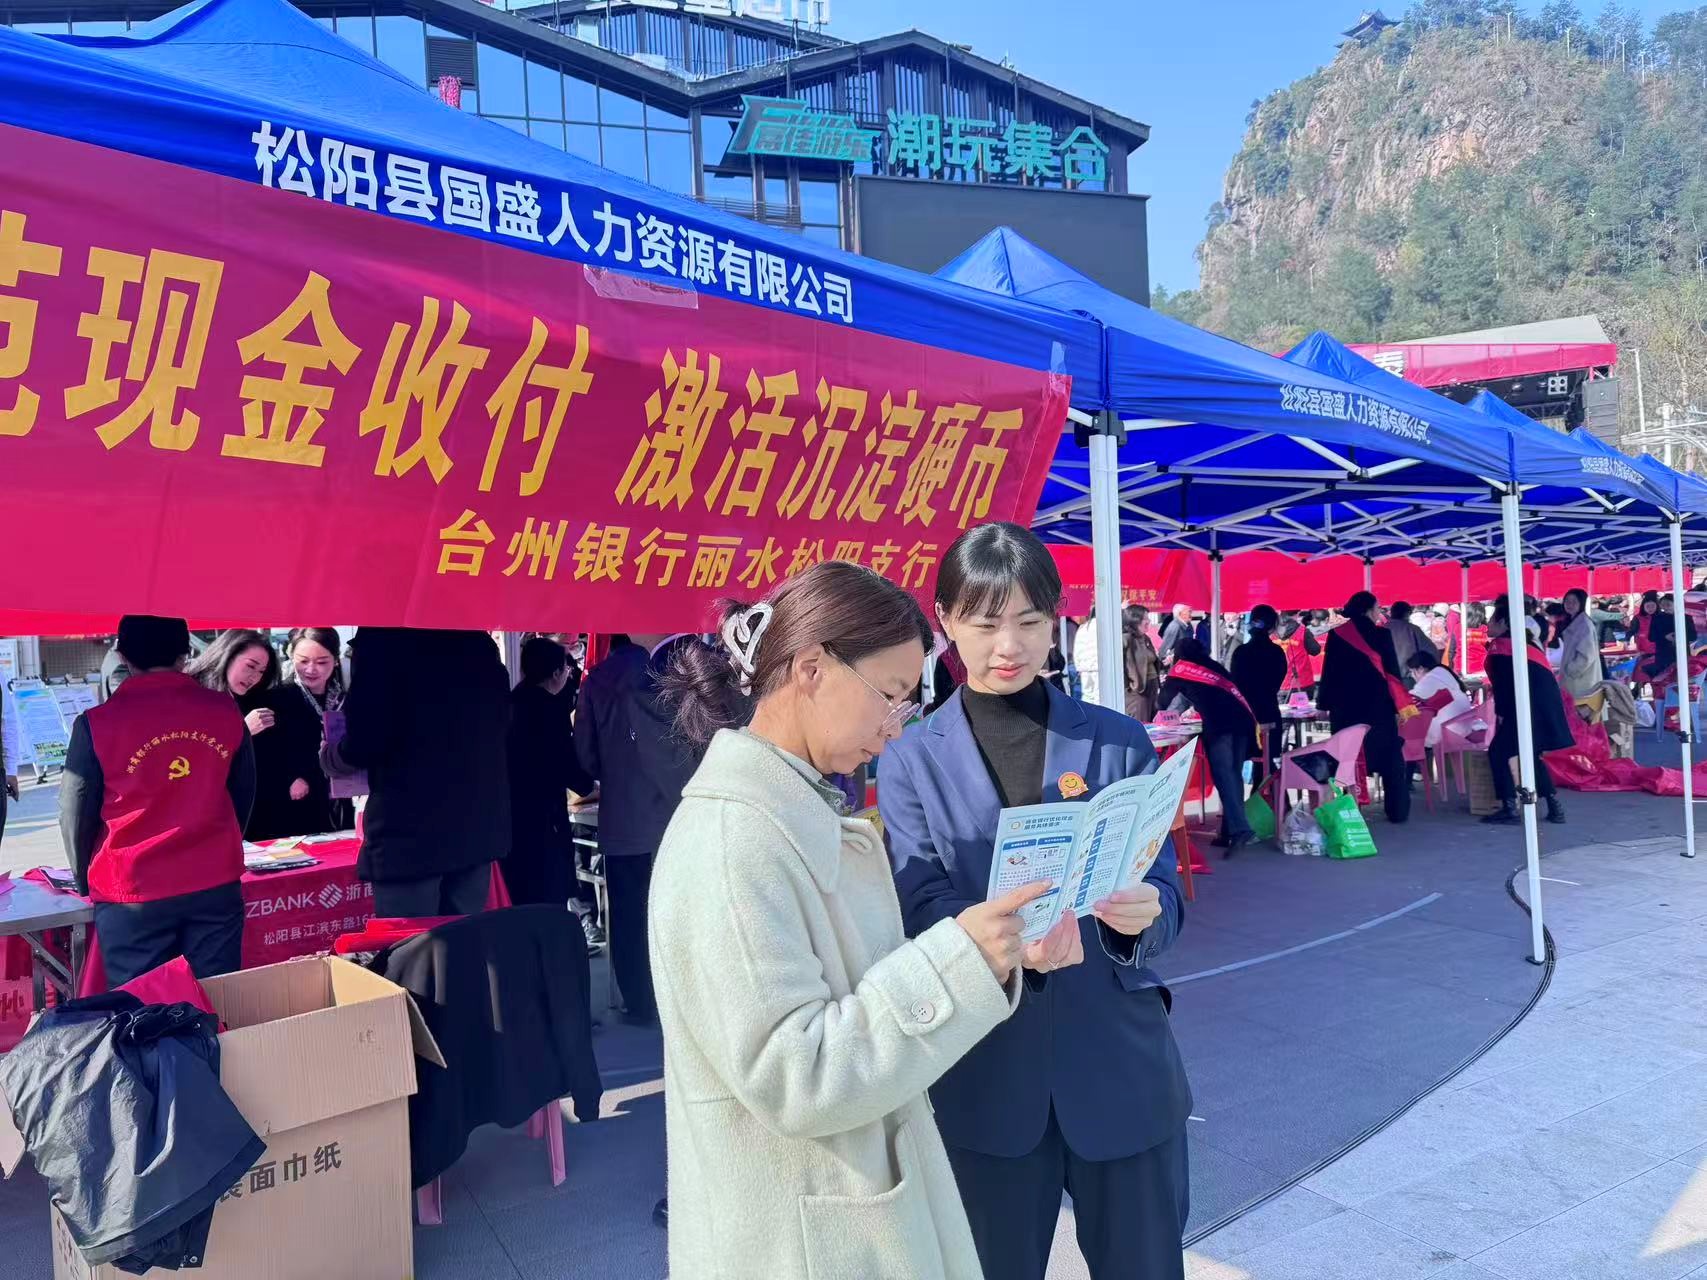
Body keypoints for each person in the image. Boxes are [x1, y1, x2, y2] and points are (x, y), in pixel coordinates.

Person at [649, 559, 1045, 1279]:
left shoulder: (784, 812)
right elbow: (794, 1073)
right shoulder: (733, 841)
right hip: (803, 1239)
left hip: (836, 1213)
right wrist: (958, 963)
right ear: (811, 669)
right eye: (889, 696)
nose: (894, 729)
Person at [880, 522, 1191, 1280]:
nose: (1008, 646)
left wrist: (1140, 918)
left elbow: (1164, 889)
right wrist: (1000, 946)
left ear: (1056, 618)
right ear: (945, 621)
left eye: (1028, 621)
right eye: (985, 624)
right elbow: (918, 905)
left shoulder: (1118, 742)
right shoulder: (910, 759)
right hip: (985, 1078)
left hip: (1117, 1067)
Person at [59, 616, 255, 985]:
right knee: (216, 997)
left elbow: (75, 812)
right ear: (185, 654)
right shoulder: (224, 711)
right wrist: (224, 845)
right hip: (214, 880)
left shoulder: (98, 722)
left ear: (122, 655)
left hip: (132, 888)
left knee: (143, 1005)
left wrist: (82, 877)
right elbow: (243, 793)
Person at [326, 628, 510, 917]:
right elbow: (501, 723)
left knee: (411, 941)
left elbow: (366, 742)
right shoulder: (478, 643)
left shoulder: (382, 642)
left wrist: (332, 756)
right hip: (476, 823)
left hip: (409, 833)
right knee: (465, 937)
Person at [574, 630, 703, 1025]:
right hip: (674, 817)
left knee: (628, 918)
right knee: (673, 913)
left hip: (623, 821)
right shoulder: (673, 670)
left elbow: (586, 758)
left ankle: (640, 1003)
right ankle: (679, 1000)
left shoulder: (596, 681)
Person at [505, 636, 593, 910]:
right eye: (566, 669)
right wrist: (590, 786)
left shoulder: (512, 701)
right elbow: (565, 763)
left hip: (512, 817)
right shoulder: (549, 709)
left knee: (521, 900)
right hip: (544, 817)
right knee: (548, 898)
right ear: (556, 673)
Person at [243, 627, 349, 841]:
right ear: (291, 656)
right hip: (293, 803)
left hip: (340, 798)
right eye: (303, 661)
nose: (311, 669)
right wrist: (287, 778)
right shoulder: (274, 699)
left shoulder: (346, 700)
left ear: (336, 660)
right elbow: (260, 752)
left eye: (322, 662)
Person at [1317, 591, 1412, 824]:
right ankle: (1397, 811)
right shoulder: (1382, 635)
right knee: (1389, 758)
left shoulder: (1337, 634)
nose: (1379, 612)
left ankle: (1348, 810)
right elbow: (1392, 673)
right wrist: (1398, 706)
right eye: (1378, 608)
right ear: (1369, 610)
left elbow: (1329, 673)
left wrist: (1323, 704)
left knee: (1346, 759)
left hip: (1345, 708)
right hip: (1379, 707)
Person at [1163, 636, 1259, 855]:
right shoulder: (1214, 666)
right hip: (1243, 723)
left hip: (1220, 727)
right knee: (1233, 776)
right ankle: (1230, 830)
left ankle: (1240, 829)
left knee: (1225, 777)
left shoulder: (1181, 670)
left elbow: (1163, 701)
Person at [1482, 599, 1571, 826]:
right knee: (1531, 754)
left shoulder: (1502, 648)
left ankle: (1509, 807)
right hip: (1544, 709)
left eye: (1491, 620)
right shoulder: (1527, 643)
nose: (1487, 624)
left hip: (1524, 709)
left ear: (1504, 622)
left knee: (1498, 752)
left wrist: (1503, 713)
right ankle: (1555, 807)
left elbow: (1504, 687)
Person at [186, 629, 280, 739]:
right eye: (250, 666)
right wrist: (242, 730)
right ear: (227, 657)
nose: (254, 677)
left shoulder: (246, 699)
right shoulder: (188, 693)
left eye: (261, 671)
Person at [1231, 604, 1288, 780]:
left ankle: (1256, 792)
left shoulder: (1240, 652)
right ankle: (1268, 793)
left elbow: (1235, 683)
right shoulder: (1277, 652)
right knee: (1269, 762)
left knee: (1243, 761)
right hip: (1269, 711)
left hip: (1245, 715)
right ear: (1272, 626)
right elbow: (1278, 680)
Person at [1405, 652, 1471, 749]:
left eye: (1412, 672)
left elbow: (1408, 700)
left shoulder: (1430, 679)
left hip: (1451, 731)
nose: (1412, 676)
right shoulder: (1442, 674)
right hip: (1463, 727)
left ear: (1420, 669)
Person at [1556, 589, 1604, 700]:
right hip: (1575, 678)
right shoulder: (1573, 621)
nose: (1570, 605)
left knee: (1578, 706)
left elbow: (1586, 655)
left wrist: (1571, 670)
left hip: (1581, 679)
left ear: (1581, 603)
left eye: (1574, 602)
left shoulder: (1584, 624)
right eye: (1567, 601)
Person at [1647, 595, 1698, 687]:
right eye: (1662, 605)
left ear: (1676, 604)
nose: (1665, 608)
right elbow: (1651, 637)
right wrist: (1665, 637)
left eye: (1668, 605)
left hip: (1682, 653)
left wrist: (1680, 636)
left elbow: (1693, 636)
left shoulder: (1686, 618)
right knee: (1664, 680)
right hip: (1663, 655)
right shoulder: (1657, 618)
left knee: (1682, 679)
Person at [1123, 605, 1161, 722]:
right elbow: (1120, 667)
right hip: (1138, 691)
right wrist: (1129, 688)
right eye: (1145, 618)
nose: (1149, 621)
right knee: (1141, 723)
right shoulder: (1126, 639)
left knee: (1152, 723)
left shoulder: (1145, 638)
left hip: (1152, 686)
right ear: (1135, 620)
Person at [1386, 601, 1438, 683]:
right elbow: (1431, 651)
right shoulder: (1413, 629)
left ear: (1391, 613)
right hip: (1409, 678)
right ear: (1407, 614)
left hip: (1387, 678)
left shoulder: (1381, 629)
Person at [1277, 610, 1321, 695]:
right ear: (1297, 614)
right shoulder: (1303, 631)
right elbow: (1315, 650)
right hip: (1303, 682)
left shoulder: (1272, 633)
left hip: (1278, 683)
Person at [1071, 606, 1100, 705]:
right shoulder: (1103, 626)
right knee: (1098, 696)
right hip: (1098, 667)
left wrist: (1078, 666)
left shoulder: (1083, 627)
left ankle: (1088, 713)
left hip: (1084, 668)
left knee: (1087, 695)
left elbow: (1077, 648)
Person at [1157, 602, 1195, 668]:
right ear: (1180, 613)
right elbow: (1164, 650)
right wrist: (1171, 655)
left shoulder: (1188, 625)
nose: (1191, 614)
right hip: (1178, 665)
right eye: (1189, 611)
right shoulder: (1174, 626)